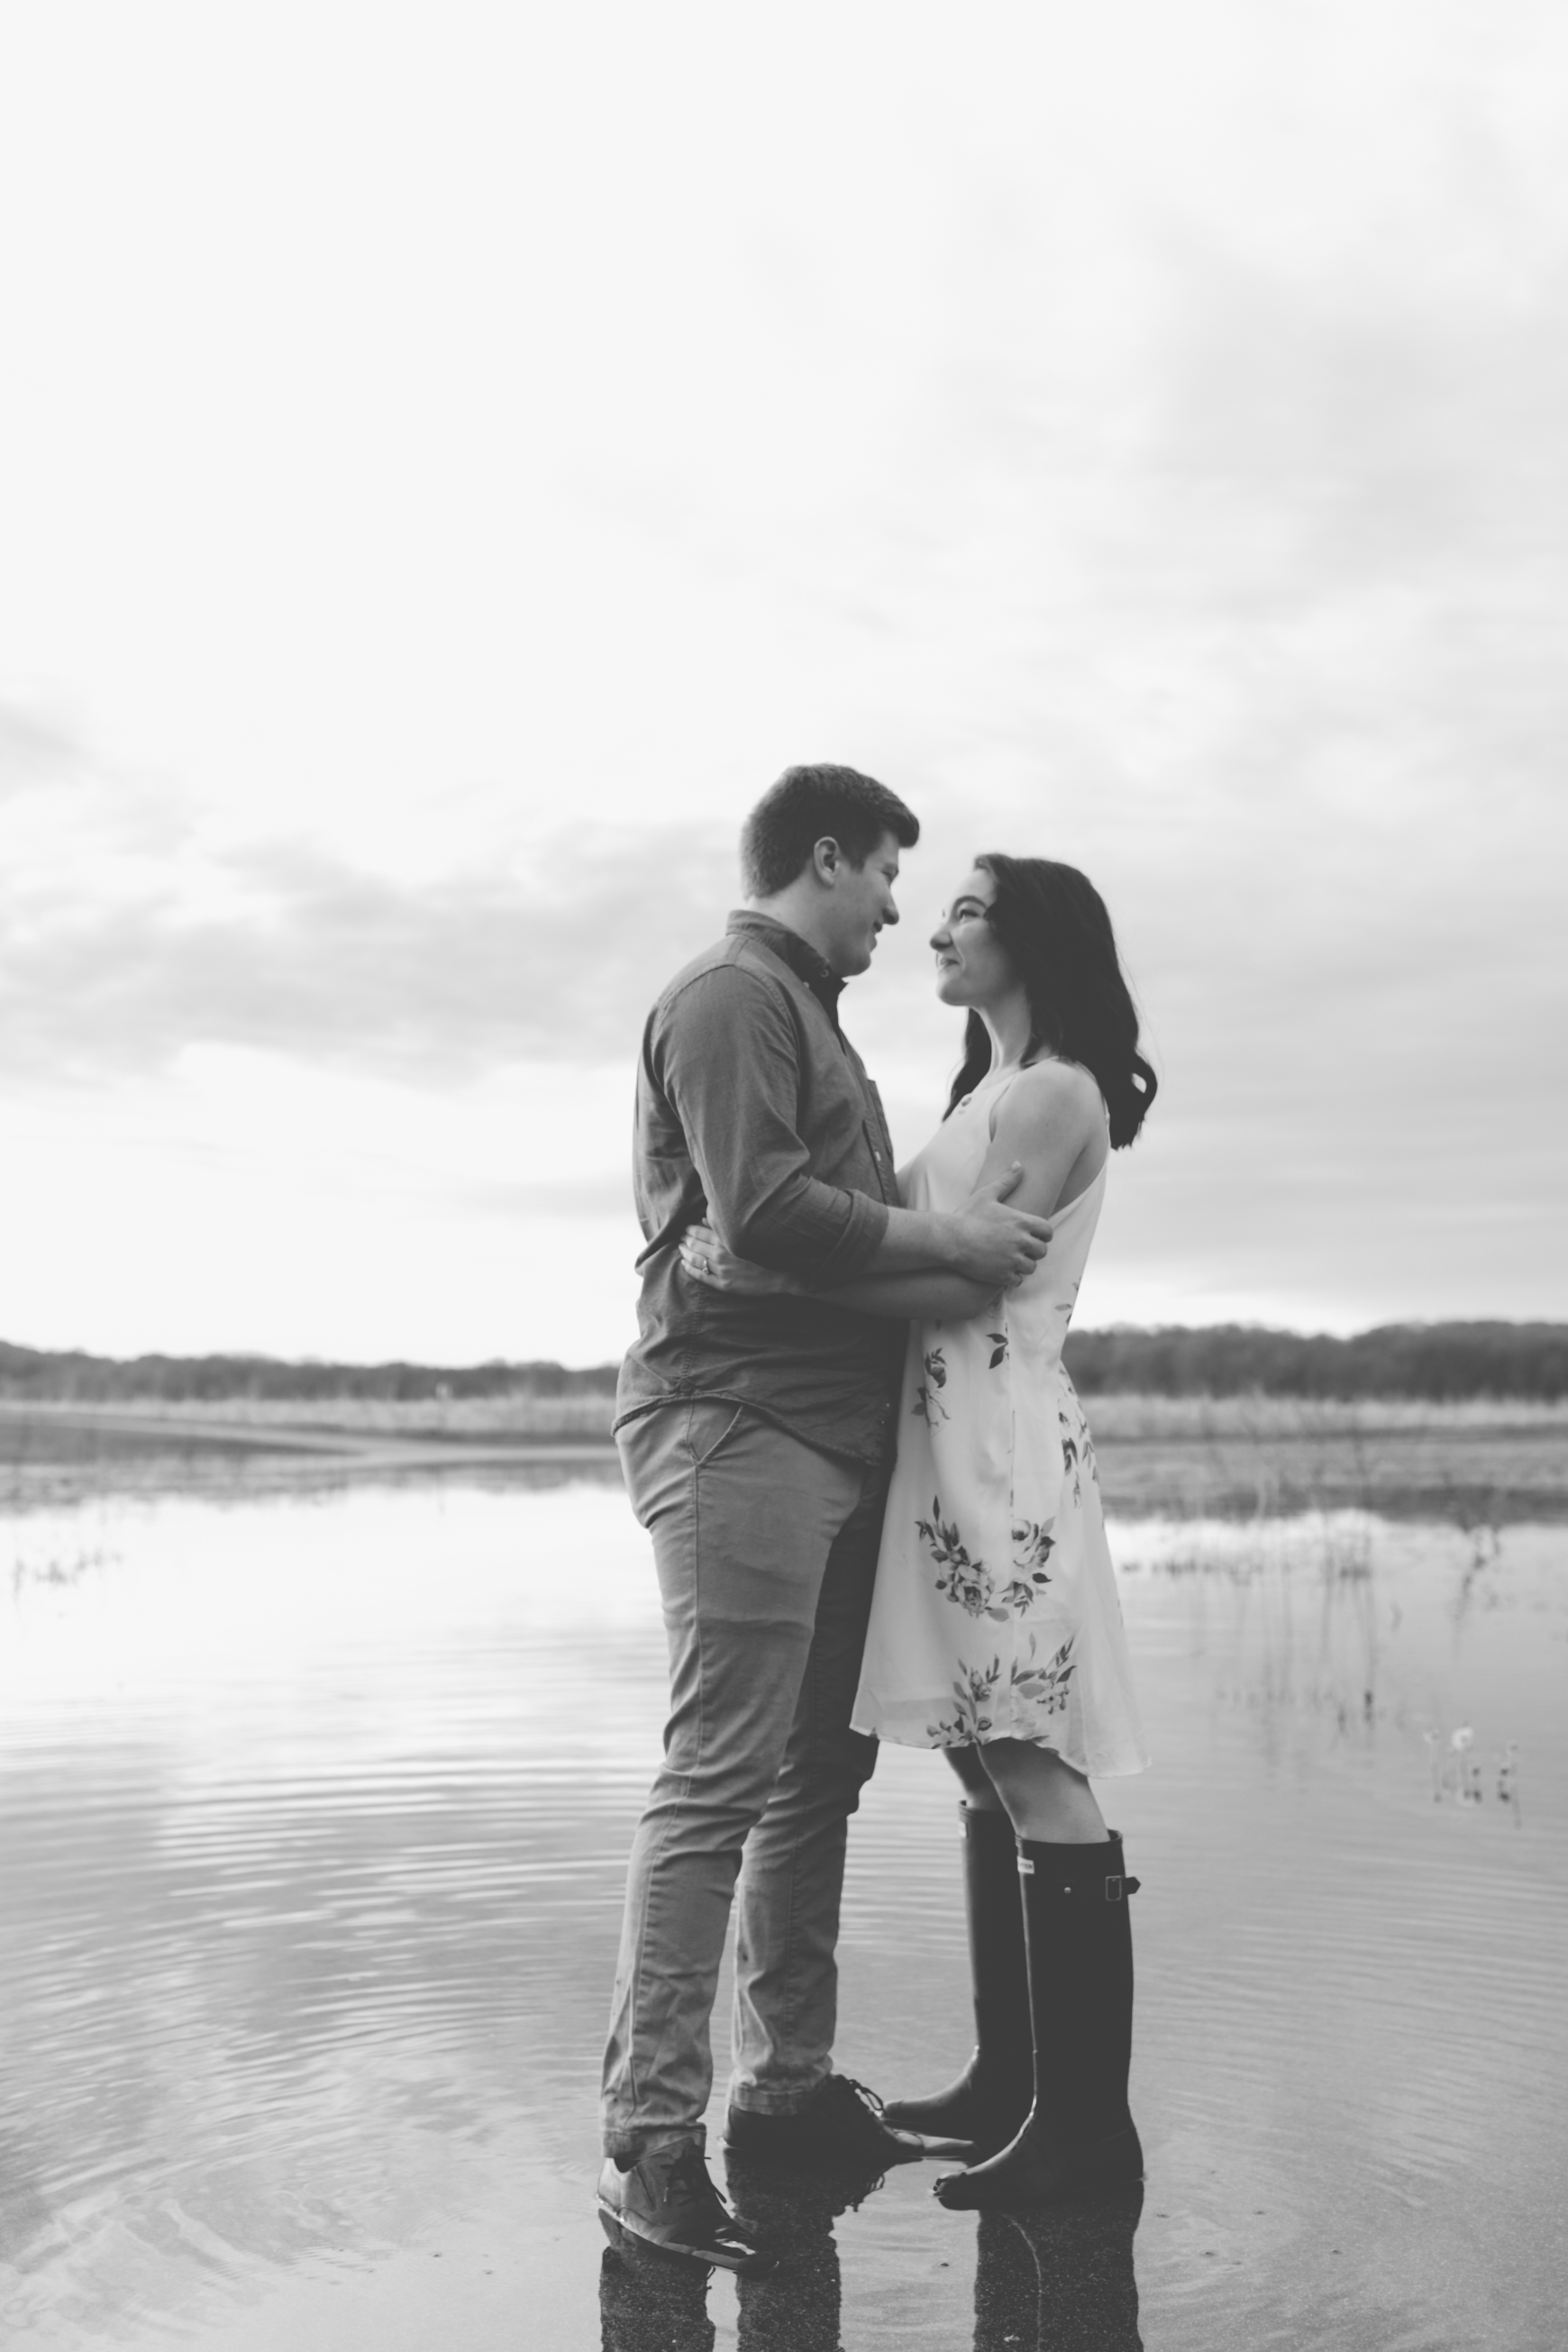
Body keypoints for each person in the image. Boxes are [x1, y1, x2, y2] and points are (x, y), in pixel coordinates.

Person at [599, 770, 1057, 2276]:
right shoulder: (734, 997)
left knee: (815, 1773)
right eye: (882, 877)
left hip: (830, 1441)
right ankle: (651, 2141)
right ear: (824, 856)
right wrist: (955, 1239)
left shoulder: (809, 1012)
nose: (895, 909)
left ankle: (784, 2092)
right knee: (722, 1773)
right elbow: (768, 1212)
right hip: (737, 1429)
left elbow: (805, 1230)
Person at [682, 852, 1157, 2214]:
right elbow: (908, 1241)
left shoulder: (1057, 1088)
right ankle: (1011, 2082)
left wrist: (768, 1250)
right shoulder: (984, 1090)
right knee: (975, 1752)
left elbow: (948, 1261)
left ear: (1029, 938)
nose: (932, 925)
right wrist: (837, 1242)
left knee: (1025, 1754)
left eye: (962, 909)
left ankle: (1085, 2132)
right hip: (941, 1434)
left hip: (995, 1441)